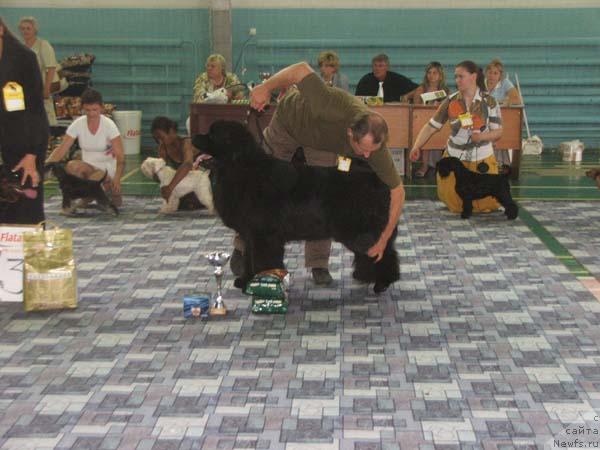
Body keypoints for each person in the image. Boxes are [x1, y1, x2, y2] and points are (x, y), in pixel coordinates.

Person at [242, 61, 405, 286]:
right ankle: (243, 249)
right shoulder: (327, 105)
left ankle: (318, 263)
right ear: (350, 133)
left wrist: (383, 241)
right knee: (261, 191)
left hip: (323, 146)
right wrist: (266, 87)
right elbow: (299, 69)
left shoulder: (373, 146)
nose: (367, 157)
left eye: (372, 151)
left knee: (325, 201)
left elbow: (397, 193)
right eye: (363, 150)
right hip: (289, 123)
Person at [409, 60, 503, 214]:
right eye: (456, 77)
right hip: (454, 159)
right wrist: (416, 146)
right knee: (455, 203)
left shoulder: (490, 102)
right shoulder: (450, 100)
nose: (457, 80)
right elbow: (431, 126)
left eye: (461, 77)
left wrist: (481, 137)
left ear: (473, 77)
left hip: (482, 158)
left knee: (487, 203)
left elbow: (499, 132)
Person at [0, 16, 48, 224]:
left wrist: (32, 154)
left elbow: (36, 111)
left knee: (26, 210)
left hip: (23, 146)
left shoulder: (23, 58)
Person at [46, 88, 125, 212]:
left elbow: (121, 157)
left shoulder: (110, 125)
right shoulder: (77, 124)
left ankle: (96, 194)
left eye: (95, 110)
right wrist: (45, 166)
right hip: (87, 166)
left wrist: (117, 179)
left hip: (107, 169)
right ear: (83, 108)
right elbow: (61, 149)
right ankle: (81, 198)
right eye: (87, 110)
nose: (91, 114)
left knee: (114, 200)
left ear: (101, 108)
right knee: (72, 166)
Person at [404, 61, 450, 177]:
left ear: (440, 76)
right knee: (425, 133)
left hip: (441, 124)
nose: (431, 75)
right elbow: (415, 108)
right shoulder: (421, 89)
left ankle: (440, 167)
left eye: (435, 73)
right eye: (429, 72)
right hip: (423, 122)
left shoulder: (446, 91)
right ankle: (424, 166)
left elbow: (451, 107)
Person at [150, 116, 202, 205]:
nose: (160, 142)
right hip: (188, 184)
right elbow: (160, 171)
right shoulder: (163, 148)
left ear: (171, 131)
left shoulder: (186, 143)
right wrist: (155, 173)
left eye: (161, 137)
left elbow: (187, 165)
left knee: (191, 200)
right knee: (177, 200)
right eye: (157, 139)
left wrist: (170, 187)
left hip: (204, 181)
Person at [18, 16, 58, 127]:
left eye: (28, 28)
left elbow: (51, 68)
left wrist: (46, 89)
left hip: (41, 87)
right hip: (25, 88)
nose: (25, 31)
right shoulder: (20, 46)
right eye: (22, 28)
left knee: (46, 119)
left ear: (35, 30)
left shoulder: (43, 45)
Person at [485, 59, 521, 167]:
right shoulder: (480, 83)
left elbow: (516, 99)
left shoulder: (505, 83)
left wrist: (502, 101)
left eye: (495, 73)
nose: (492, 76)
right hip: (483, 120)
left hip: (500, 121)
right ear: (486, 73)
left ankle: (502, 164)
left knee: (505, 134)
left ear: (500, 75)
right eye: (490, 72)